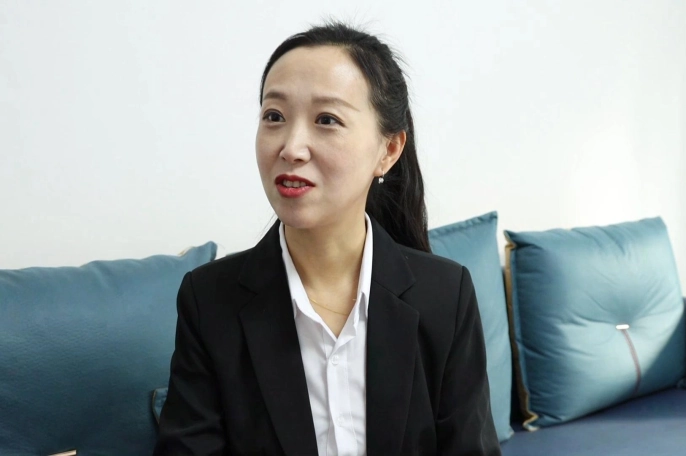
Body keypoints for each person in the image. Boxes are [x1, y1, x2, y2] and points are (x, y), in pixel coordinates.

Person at [153, 20, 500, 456]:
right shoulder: (209, 301)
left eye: (327, 120)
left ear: (388, 150)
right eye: (274, 117)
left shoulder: (446, 296)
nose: (291, 147)